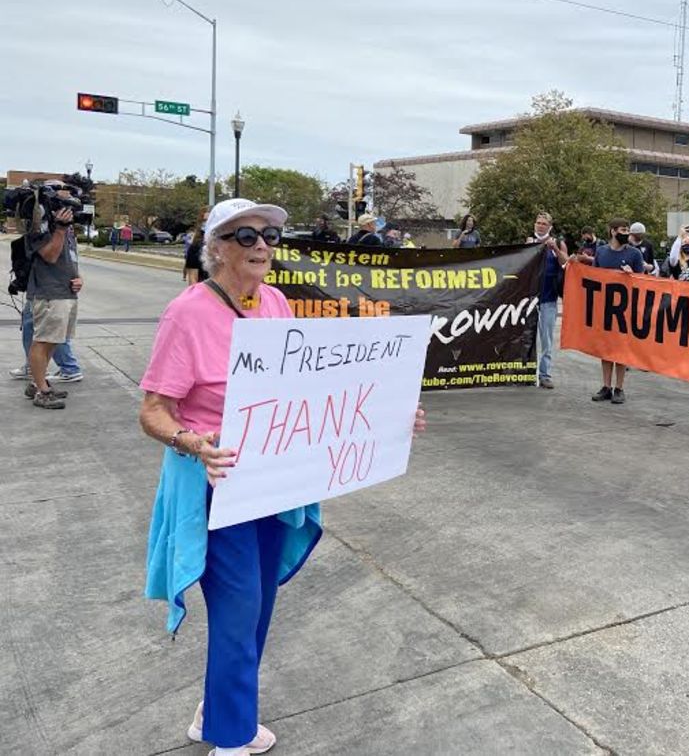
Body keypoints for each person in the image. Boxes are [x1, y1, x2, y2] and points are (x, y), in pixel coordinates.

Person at [138, 197, 426, 756]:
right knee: (239, 606)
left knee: (260, 602)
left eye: (270, 236)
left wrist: (391, 415)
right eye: (246, 236)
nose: (263, 246)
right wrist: (192, 443)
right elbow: (153, 411)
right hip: (217, 484)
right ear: (217, 248)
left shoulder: (274, 302)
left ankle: (215, 712)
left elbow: (310, 390)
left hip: (273, 481)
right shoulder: (187, 313)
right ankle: (230, 739)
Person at [25, 194, 84, 409]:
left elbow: (69, 258)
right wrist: (60, 228)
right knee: (42, 341)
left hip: (65, 292)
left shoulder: (67, 228)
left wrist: (78, 278)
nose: (69, 207)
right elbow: (50, 256)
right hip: (49, 293)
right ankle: (42, 392)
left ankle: (37, 383)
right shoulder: (39, 227)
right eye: (64, 201)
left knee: (53, 341)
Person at [589, 218, 644, 404]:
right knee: (605, 349)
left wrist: (632, 275)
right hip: (605, 307)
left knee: (621, 349)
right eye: (622, 230)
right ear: (613, 231)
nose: (626, 233)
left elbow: (644, 282)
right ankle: (606, 386)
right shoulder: (601, 251)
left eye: (627, 230)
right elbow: (593, 277)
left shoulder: (634, 254)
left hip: (624, 309)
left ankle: (619, 388)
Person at [526, 212, 569, 389]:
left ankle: (544, 374)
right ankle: (526, 374)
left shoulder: (557, 243)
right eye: (538, 222)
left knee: (546, 340)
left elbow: (566, 263)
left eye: (544, 223)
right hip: (529, 300)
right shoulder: (529, 242)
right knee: (527, 339)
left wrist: (555, 249)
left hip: (548, 298)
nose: (540, 225)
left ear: (550, 226)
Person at [184, 208, 210, 286]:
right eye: (205, 220)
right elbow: (193, 278)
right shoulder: (196, 247)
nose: (207, 223)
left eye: (210, 220)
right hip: (204, 289)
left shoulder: (227, 245)